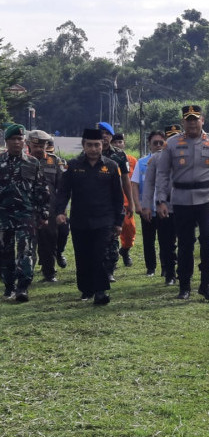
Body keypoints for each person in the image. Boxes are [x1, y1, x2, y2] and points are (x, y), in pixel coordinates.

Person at [155, 105, 209, 301]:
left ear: (202, 120)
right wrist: (161, 200)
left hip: (207, 197)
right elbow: (162, 174)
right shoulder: (171, 143)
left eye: (196, 119)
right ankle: (184, 285)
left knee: (208, 239)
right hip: (181, 198)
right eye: (188, 119)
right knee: (185, 243)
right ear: (183, 122)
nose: (192, 122)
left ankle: (206, 283)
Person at [56, 128, 124, 305]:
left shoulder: (111, 166)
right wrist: (60, 212)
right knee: (83, 256)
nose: (94, 149)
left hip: (104, 219)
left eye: (97, 145)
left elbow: (118, 196)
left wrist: (119, 222)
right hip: (80, 219)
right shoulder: (73, 166)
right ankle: (86, 289)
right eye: (90, 145)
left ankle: (101, 292)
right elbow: (63, 192)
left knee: (99, 255)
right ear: (84, 145)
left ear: (102, 145)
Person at [0, 124, 49, 302]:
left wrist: (44, 212)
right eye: (13, 139)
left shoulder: (32, 162)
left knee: (25, 250)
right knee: (4, 251)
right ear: (6, 141)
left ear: (24, 141)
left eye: (20, 139)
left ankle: (22, 287)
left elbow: (41, 189)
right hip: (3, 215)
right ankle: (9, 286)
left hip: (26, 214)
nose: (17, 142)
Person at [132, 129, 177, 284]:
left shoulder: (173, 160)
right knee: (149, 240)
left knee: (167, 240)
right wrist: (140, 205)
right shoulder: (143, 162)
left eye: (161, 142)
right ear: (149, 145)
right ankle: (151, 267)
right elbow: (138, 185)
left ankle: (167, 269)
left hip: (168, 207)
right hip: (149, 207)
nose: (158, 145)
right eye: (155, 143)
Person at [97, 122, 134, 282]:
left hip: (114, 201)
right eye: (101, 133)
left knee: (113, 235)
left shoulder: (119, 155)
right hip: (94, 200)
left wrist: (130, 201)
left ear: (111, 136)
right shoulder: (91, 152)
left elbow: (126, 179)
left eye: (107, 133)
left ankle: (109, 269)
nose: (104, 136)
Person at [27, 130, 63, 283]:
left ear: (47, 145)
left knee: (49, 242)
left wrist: (62, 211)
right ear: (29, 145)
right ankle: (26, 274)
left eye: (42, 146)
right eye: (35, 146)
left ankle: (49, 273)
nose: (39, 149)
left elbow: (62, 188)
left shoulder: (55, 162)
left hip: (50, 210)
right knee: (28, 244)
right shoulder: (23, 161)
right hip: (27, 209)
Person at [111, 132, 138, 267]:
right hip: (112, 202)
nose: (118, 144)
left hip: (127, 201)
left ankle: (125, 250)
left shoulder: (132, 160)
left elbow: (134, 181)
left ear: (124, 143)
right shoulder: (108, 160)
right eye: (115, 142)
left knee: (129, 229)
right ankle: (112, 256)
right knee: (112, 231)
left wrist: (134, 201)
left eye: (120, 142)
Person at [47, 136, 70, 270]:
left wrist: (63, 209)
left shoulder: (59, 162)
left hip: (58, 204)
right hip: (41, 205)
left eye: (51, 150)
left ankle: (59, 252)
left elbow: (64, 188)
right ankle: (47, 262)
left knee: (63, 230)